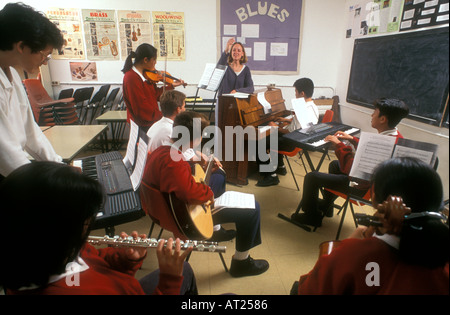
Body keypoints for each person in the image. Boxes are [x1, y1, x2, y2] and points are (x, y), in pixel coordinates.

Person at [0, 161, 197, 295]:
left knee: (185, 268)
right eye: (85, 222)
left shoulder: (54, 252)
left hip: (126, 287)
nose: (87, 229)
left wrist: (124, 259)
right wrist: (169, 279)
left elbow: (94, 261)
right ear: (55, 234)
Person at [294, 157, 449, 295]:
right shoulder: (442, 255)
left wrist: (347, 245)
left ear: (374, 197)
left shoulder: (357, 253)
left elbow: (310, 289)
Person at [142, 111, 269, 277]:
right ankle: (241, 263)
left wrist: (196, 162)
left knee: (217, 186)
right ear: (195, 138)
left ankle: (221, 235)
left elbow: (175, 175)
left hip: (163, 212)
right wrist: (208, 192)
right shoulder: (175, 162)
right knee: (253, 208)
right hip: (184, 220)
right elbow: (189, 192)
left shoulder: (163, 151)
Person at [293, 98, 409, 227]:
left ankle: (311, 217)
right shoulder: (395, 136)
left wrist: (339, 145)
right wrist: (352, 139)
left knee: (312, 177)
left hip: (360, 187)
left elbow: (352, 170)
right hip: (368, 182)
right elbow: (369, 150)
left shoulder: (381, 144)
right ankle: (327, 206)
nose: (371, 115)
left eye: (374, 112)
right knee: (334, 165)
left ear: (383, 119)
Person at [147, 90, 235, 242]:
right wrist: (208, 192)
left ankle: (213, 221)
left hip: (160, 191)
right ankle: (213, 225)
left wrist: (200, 159)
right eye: (184, 106)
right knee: (219, 177)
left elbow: (184, 154)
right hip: (171, 202)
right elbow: (184, 183)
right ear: (178, 109)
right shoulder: (172, 148)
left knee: (208, 173)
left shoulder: (159, 126)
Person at [0, 2, 64, 181]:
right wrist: (48, 184)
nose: (45, 62)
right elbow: (6, 155)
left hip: (14, 169)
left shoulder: (11, 72)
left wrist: (59, 167)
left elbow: (30, 131)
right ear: (22, 47)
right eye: (44, 55)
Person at [256, 78, 319, 187]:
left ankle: (271, 176)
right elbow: (303, 123)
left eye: (296, 91)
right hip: (302, 138)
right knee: (273, 136)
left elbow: (290, 132)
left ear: (302, 93)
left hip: (293, 142)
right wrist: (287, 120)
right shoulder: (312, 106)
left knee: (259, 142)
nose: (295, 94)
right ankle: (281, 167)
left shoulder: (302, 108)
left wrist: (275, 127)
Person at [121, 43, 185, 132]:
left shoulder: (145, 75)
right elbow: (141, 109)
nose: (155, 63)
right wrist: (164, 117)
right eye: (154, 59)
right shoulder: (131, 78)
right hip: (142, 124)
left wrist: (171, 86)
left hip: (150, 121)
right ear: (145, 60)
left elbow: (154, 95)